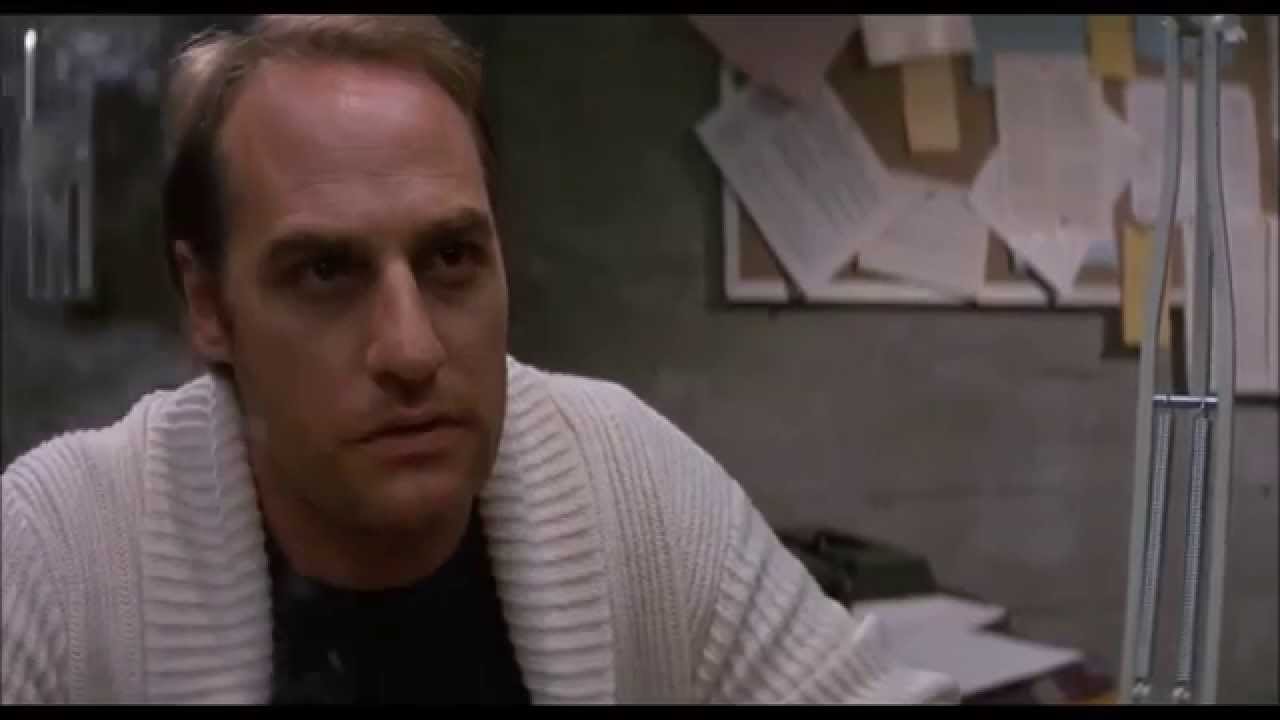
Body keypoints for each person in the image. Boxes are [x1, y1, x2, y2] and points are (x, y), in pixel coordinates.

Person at [0, 15, 958, 705]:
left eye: (452, 257)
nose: (412, 350)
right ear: (209, 307)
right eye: (326, 271)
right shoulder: (61, 549)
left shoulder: (626, 481)